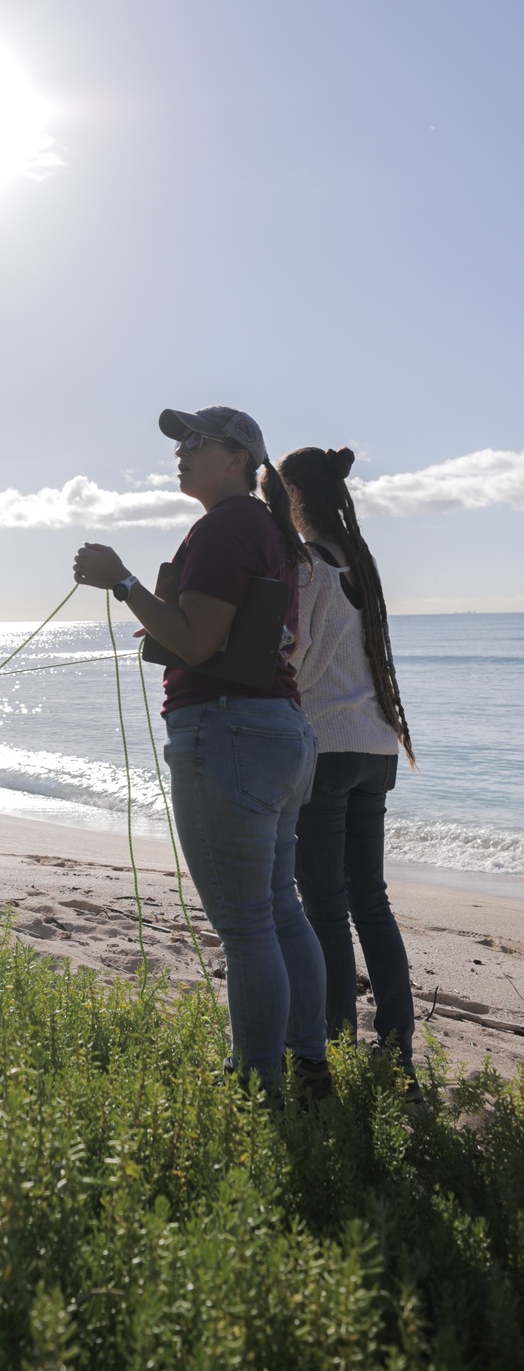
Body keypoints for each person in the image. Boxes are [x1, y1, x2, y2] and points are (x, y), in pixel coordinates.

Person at [74, 406, 327, 1099]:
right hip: (278, 728)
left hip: (230, 734)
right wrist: (165, 621)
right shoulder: (268, 528)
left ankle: (258, 1085)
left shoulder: (225, 526)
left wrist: (121, 582)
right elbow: (234, 636)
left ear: (239, 457)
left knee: (248, 926)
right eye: (178, 442)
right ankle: (310, 1066)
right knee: (280, 909)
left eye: (195, 442)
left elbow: (197, 643)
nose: (180, 452)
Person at [277, 445, 418, 1086]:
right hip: (376, 745)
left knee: (325, 905)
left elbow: (294, 656)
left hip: (328, 744)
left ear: (294, 496)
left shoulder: (308, 566)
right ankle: (395, 1050)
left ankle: (329, 1043)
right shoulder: (361, 565)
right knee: (370, 898)